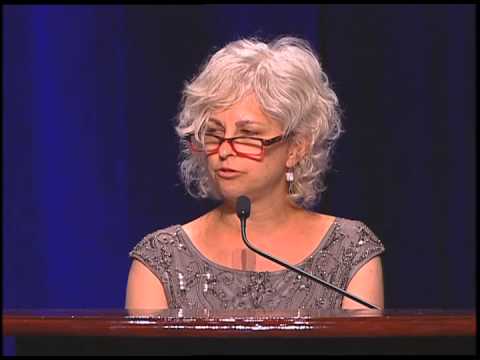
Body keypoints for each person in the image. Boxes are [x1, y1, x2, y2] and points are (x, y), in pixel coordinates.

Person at [125, 36, 385, 312]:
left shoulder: (348, 250)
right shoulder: (161, 259)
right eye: (213, 134)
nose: (224, 151)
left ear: (296, 148)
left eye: (248, 136)